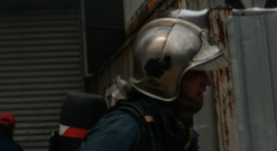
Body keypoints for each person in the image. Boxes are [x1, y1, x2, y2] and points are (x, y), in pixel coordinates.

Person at [80, 19, 226, 151]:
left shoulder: (173, 129)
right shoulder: (124, 130)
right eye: (195, 73)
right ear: (163, 78)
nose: (208, 82)